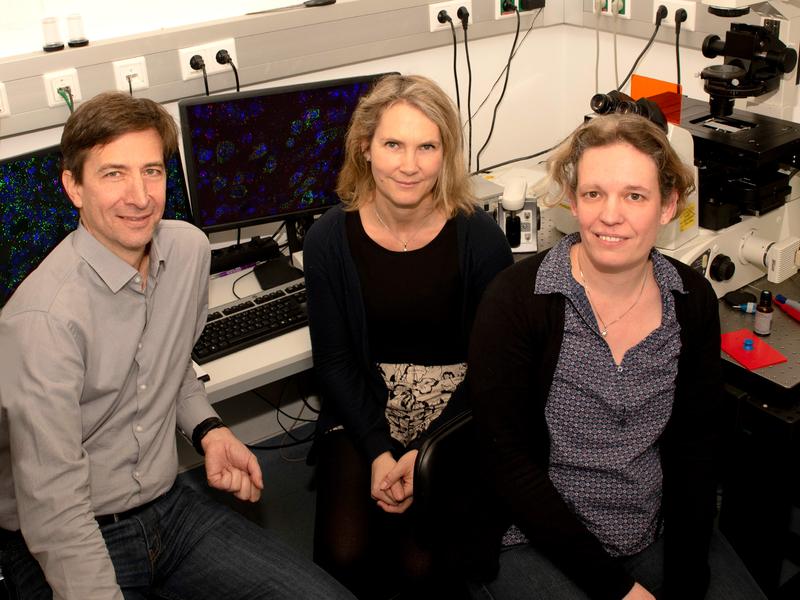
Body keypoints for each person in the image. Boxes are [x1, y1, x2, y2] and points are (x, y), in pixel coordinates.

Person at [0, 91, 353, 600]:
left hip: (167, 504)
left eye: (152, 171)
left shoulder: (186, 251)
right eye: (114, 173)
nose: (140, 196)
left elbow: (170, 365)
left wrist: (209, 430)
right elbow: (53, 507)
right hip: (71, 531)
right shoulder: (43, 321)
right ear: (73, 188)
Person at [466, 113, 766, 600]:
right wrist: (618, 589)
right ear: (571, 199)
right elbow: (508, 464)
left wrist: (687, 579)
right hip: (534, 534)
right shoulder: (516, 301)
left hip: (653, 528)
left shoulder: (689, 299)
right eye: (593, 194)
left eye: (634, 196)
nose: (611, 215)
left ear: (668, 205)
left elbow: (695, 448)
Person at [303, 73, 513, 599]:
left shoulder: (481, 238)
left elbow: (494, 371)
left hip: (455, 417)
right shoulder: (328, 238)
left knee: (421, 569)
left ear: (446, 154)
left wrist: (420, 456)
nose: (409, 164)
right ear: (365, 148)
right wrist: (378, 452)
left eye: (427, 146)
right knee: (341, 555)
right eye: (393, 144)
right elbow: (334, 363)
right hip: (364, 408)